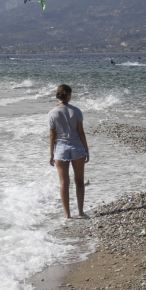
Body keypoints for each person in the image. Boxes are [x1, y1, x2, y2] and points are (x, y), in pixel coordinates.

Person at [48, 84, 90, 219]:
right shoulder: (76, 111)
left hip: (61, 149)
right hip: (77, 148)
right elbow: (81, 132)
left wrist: (51, 154)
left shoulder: (52, 113)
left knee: (64, 183)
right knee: (79, 181)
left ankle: (67, 215)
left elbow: (52, 136)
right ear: (68, 95)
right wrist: (86, 149)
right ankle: (81, 212)